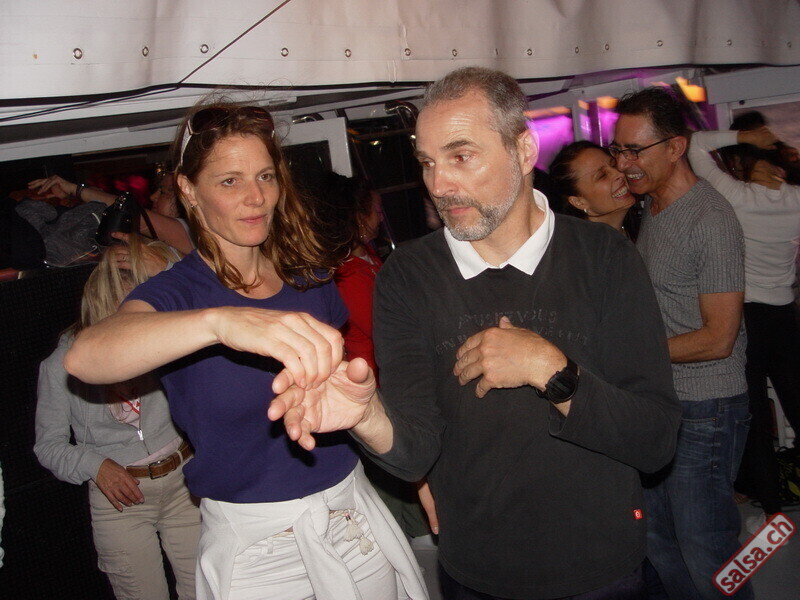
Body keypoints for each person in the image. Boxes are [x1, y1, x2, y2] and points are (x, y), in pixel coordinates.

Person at [269, 66, 681, 599]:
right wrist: (365, 417)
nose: (439, 185)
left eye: (461, 156)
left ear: (523, 150)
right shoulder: (407, 277)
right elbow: (415, 452)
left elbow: (655, 440)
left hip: (600, 567)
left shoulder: (605, 257)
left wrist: (550, 370)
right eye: (427, 163)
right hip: (478, 573)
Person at [64, 102, 428, 600]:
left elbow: (351, 395)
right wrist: (222, 322)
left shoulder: (309, 278)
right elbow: (86, 357)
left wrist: (413, 471)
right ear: (189, 190)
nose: (255, 197)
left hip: (350, 515)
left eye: (265, 176)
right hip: (260, 546)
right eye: (229, 181)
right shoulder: (179, 293)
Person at [612, 87, 751, 600]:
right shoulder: (651, 207)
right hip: (665, 402)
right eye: (618, 150)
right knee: (658, 541)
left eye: (634, 150)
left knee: (706, 549)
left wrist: (630, 354)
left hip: (707, 406)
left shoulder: (710, 219)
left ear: (675, 147)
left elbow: (720, 338)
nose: (623, 163)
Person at [34, 234, 200, 600]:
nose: (137, 319)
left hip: (183, 483)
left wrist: (162, 260)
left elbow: (196, 297)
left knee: (204, 590)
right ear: (102, 307)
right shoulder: (60, 365)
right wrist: (94, 465)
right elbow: (48, 446)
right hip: (121, 502)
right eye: (126, 309)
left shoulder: (155, 340)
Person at [687, 126, 800, 527]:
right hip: (785, 318)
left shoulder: (736, 198)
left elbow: (696, 145)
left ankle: (771, 512)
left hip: (746, 318)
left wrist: (743, 135)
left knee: (756, 419)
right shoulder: (796, 201)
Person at [28, 173, 194, 255]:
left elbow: (128, 211)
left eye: (163, 192)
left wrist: (75, 190)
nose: (153, 197)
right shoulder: (153, 241)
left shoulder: (194, 235)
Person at [549, 140, 640, 239]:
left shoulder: (638, 228)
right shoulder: (583, 246)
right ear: (579, 202)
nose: (619, 174)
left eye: (614, 164)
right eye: (602, 176)